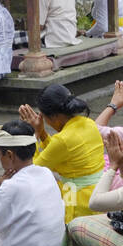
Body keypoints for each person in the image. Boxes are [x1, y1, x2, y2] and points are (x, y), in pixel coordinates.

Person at [19, 83, 105, 223]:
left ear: (53, 116)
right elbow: (59, 153)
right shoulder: (88, 123)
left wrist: (34, 133)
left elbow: (32, 168)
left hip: (79, 201)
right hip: (99, 192)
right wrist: (42, 134)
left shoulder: (63, 140)